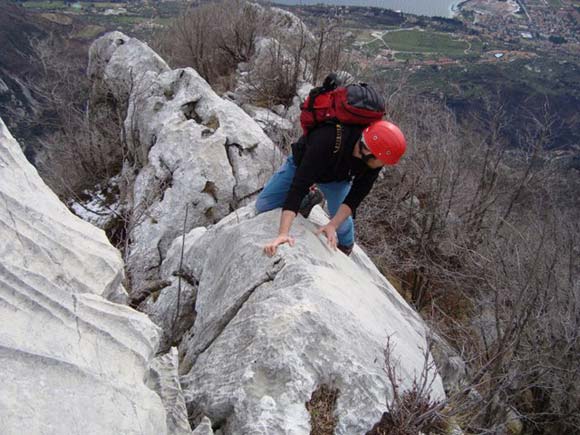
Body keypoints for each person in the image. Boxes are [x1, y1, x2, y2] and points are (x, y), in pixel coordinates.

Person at [256, 120, 406, 256]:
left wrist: (333, 225)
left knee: (343, 227)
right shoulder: (328, 139)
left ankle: (346, 246)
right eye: (383, 161)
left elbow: (355, 197)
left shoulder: (373, 162)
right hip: (302, 164)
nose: (384, 165)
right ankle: (307, 200)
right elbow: (298, 186)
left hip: (336, 179)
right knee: (264, 205)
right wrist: (283, 234)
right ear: (369, 152)